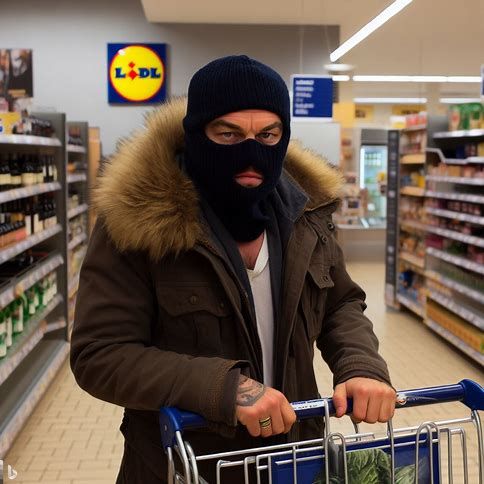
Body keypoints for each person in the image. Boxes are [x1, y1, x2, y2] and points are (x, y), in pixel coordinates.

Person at [70, 55, 395, 483]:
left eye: (268, 135)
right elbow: (99, 355)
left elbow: (340, 304)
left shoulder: (307, 214)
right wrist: (226, 388)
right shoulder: (139, 223)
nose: (251, 153)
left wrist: (361, 364)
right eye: (229, 135)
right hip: (185, 463)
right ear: (196, 134)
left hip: (293, 458)